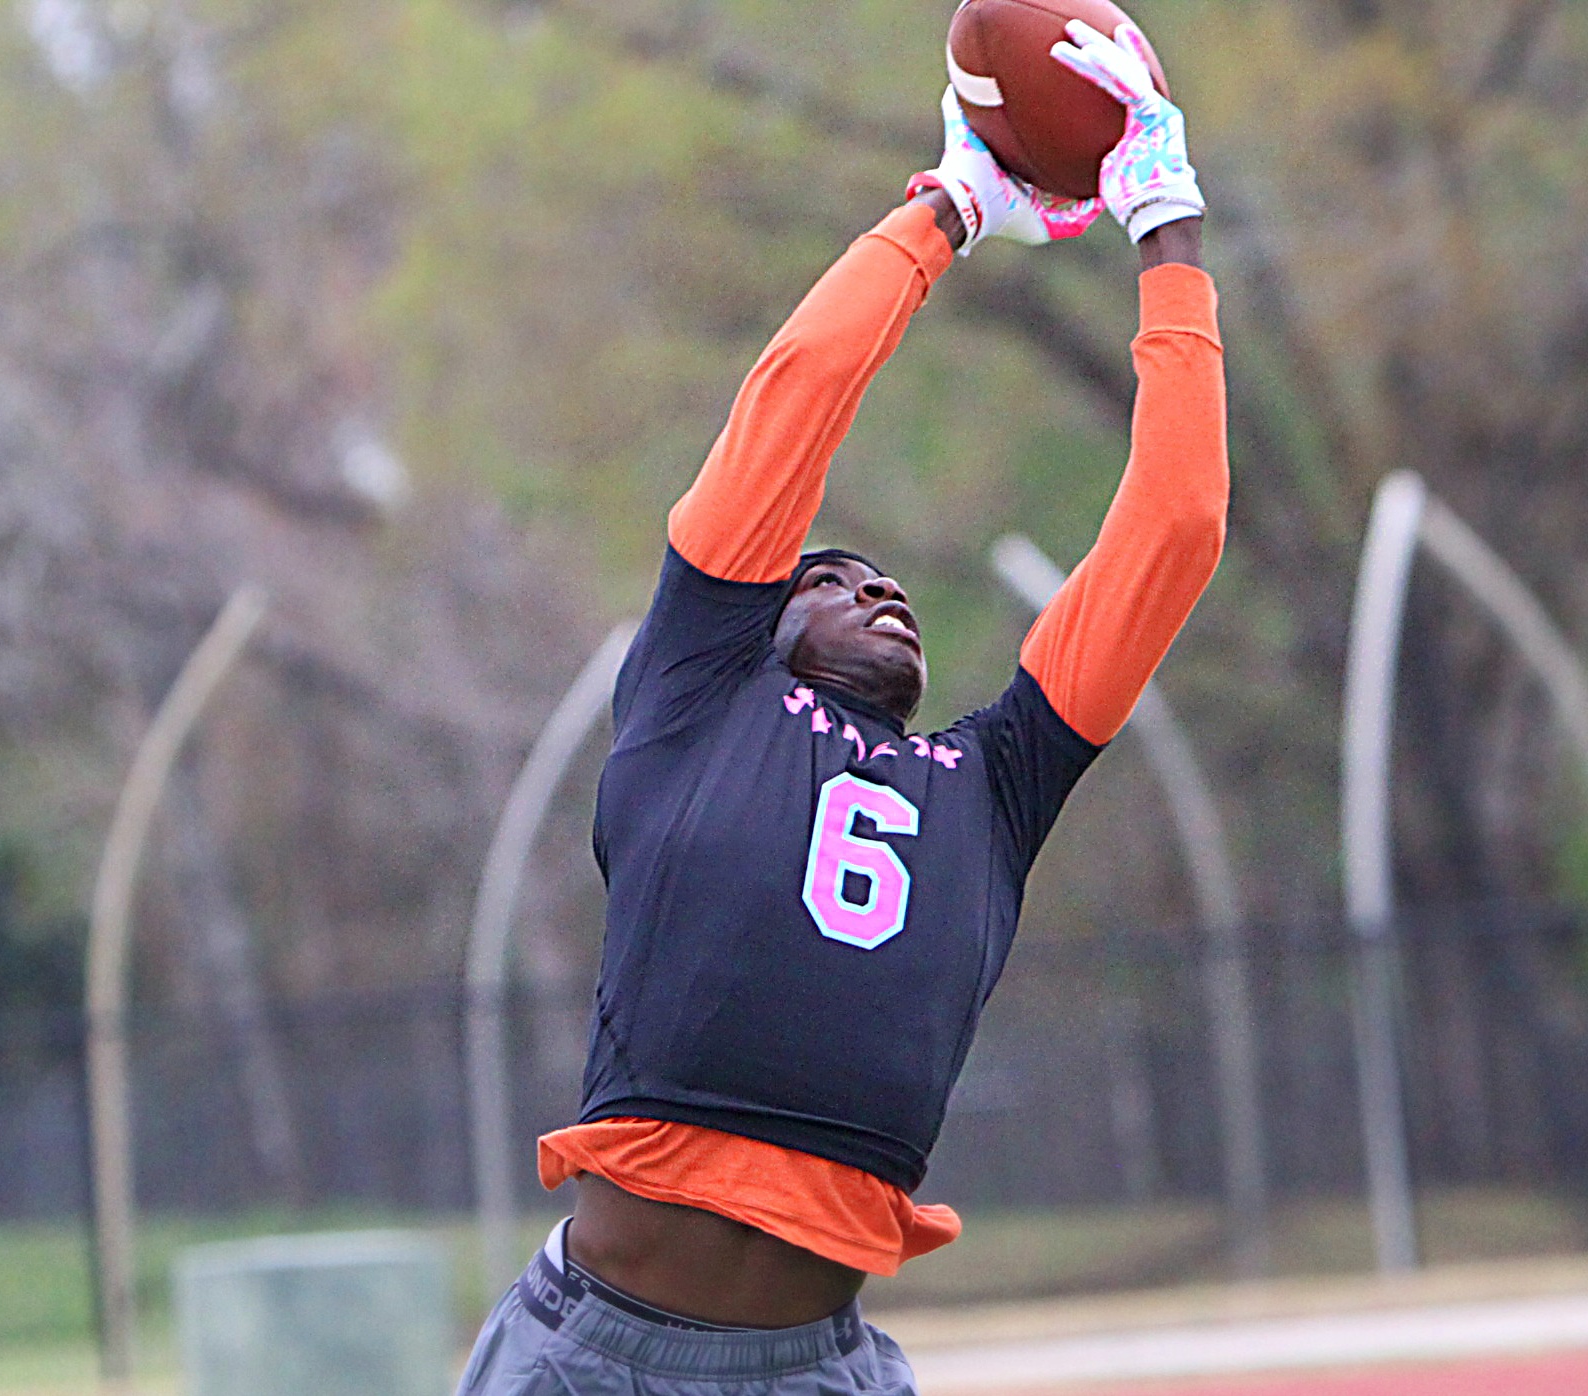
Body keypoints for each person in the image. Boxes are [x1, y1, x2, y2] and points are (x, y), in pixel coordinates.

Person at [457, 17, 1228, 1395]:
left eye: (886, 580)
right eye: (829, 575)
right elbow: (796, 396)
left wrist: (1164, 226)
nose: (878, 587)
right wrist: (945, 210)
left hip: (820, 1369)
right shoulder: (695, 699)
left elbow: (1176, 527)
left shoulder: (990, 790)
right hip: (593, 1360)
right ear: (755, 623)